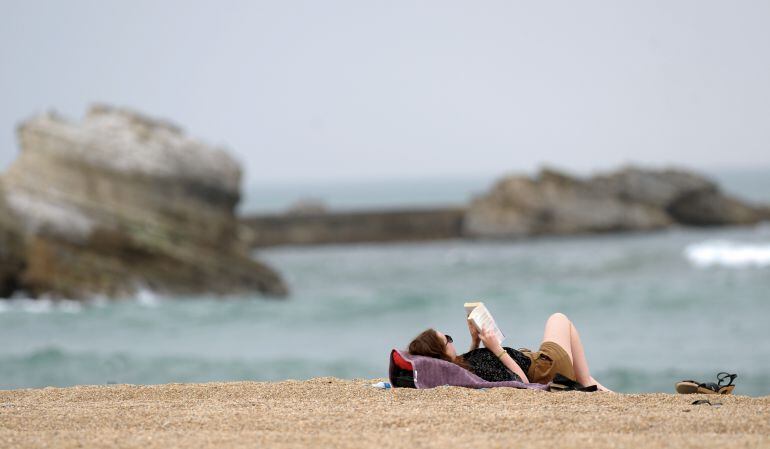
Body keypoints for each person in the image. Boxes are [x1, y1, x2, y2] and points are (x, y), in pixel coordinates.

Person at [407, 312, 613, 392]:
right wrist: (496, 349)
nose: (452, 341)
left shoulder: (457, 369)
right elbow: (522, 383)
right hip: (544, 368)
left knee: (581, 370)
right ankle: (586, 384)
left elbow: (469, 368)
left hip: (540, 364)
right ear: (441, 354)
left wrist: (475, 342)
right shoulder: (480, 368)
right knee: (558, 319)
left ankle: (606, 392)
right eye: (447, 340)